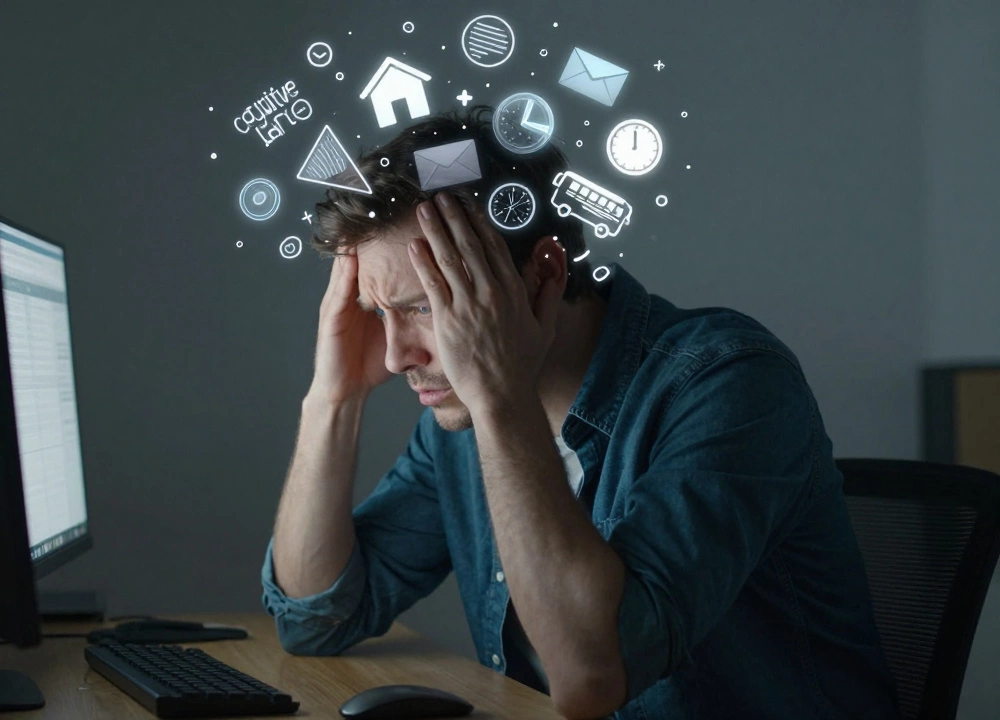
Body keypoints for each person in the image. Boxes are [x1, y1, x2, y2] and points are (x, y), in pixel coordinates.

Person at [259, 107, 900, 719]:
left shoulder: (730, 383)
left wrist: (500, 398)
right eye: (379, 314)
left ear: (543, 274)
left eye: (427, 306)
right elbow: (314, 619)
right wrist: (332, 399)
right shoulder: (461, 423)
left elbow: (592, 678)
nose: (397, 356)